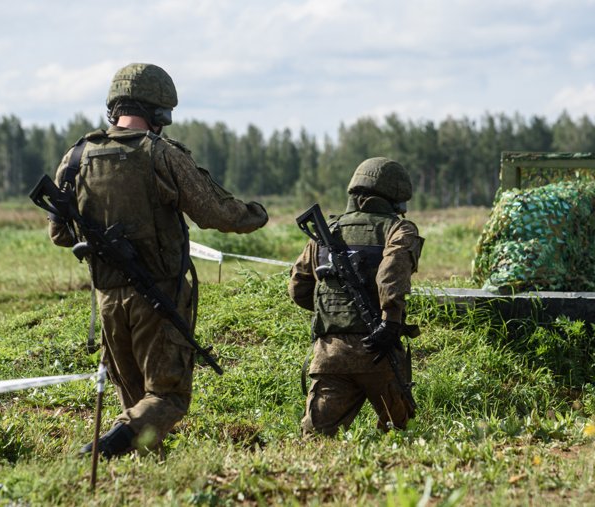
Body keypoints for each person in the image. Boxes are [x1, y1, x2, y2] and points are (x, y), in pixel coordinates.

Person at [48, 63, 269, 458]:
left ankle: (147, 476)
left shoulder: (76, 157)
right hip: (157, 298)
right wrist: (257, 213)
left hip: (108, 300)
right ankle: (105, 447)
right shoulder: (160, 154)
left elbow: (60, 233)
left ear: (114, 107)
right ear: (159, 113)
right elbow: (215, 212)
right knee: (167, 397)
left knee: (136, 402)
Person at [288, 157, 424, 436]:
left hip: (330, 355)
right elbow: (392, 273)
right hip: (379, 354)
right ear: (393, 197)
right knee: (403, 434)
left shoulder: (326, 233)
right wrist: (390, 320)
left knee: (316, 440)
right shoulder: (398, 229)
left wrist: (334, 315)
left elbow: (298, 288)